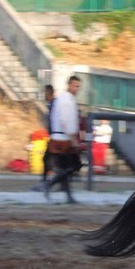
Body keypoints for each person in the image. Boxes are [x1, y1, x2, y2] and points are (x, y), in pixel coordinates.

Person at [44, 75, 83, 204]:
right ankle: (50, 184)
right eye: (75, 86)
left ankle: (68, 196)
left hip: (62, 137)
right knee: (72, 167)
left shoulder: (66, 99)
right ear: (69, 85)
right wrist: (73, 139)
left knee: (66, 168)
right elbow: (65, 121)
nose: (77, 89)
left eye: (78, 86)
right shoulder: (65, 100)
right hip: (63, 139)